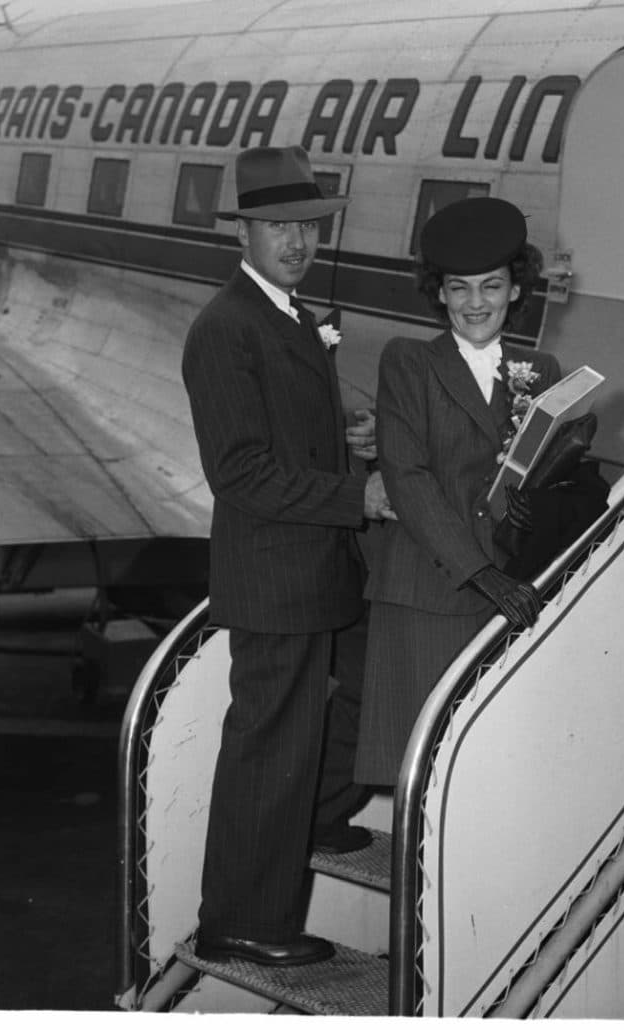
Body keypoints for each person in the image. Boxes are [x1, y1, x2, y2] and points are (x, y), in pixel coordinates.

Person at [182, 145, 394, 968]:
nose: (296, 241)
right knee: (267, 750)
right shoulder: (227, 328)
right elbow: (238, 472)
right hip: (274, 577)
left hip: (317, 568)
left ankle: (311, 819)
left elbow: (288, 438)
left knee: (359, 697)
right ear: (244, 233)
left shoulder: (290, 315)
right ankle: (241, 922)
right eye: (277, 227)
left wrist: (353, 446)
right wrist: (359, 497)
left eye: (306, 226)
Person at [354, 197, 562, 788]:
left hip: (511, 591)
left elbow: (552, 476)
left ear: (515, 291)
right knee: (430, 773)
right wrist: (482, 574)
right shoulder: (409, 362)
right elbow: (407, 477)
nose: (476, 304)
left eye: (491, 287)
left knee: (494, 773)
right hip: (431, 590)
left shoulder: (541, 371)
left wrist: (538, 509)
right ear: (439, 293)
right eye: (459, 288)